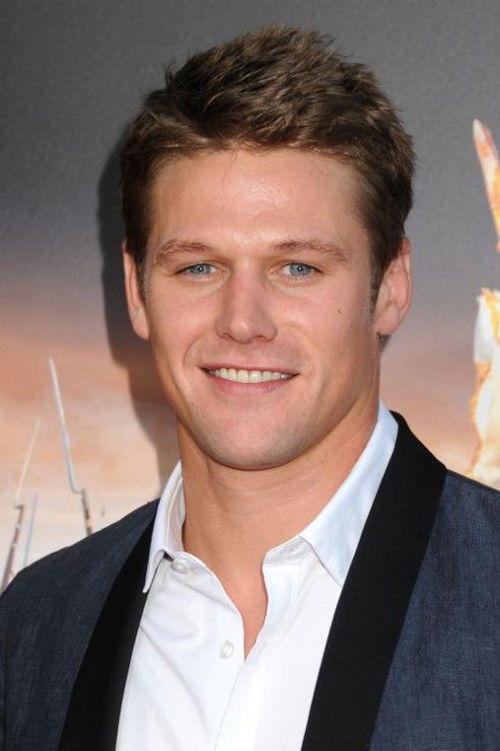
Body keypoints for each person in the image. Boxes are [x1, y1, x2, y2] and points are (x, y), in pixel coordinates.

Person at [1, 26, 499, 751]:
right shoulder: (37, 627)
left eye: (297, 267)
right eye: (198, 267)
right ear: (137, 292)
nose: (242, 322)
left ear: (391, 286)